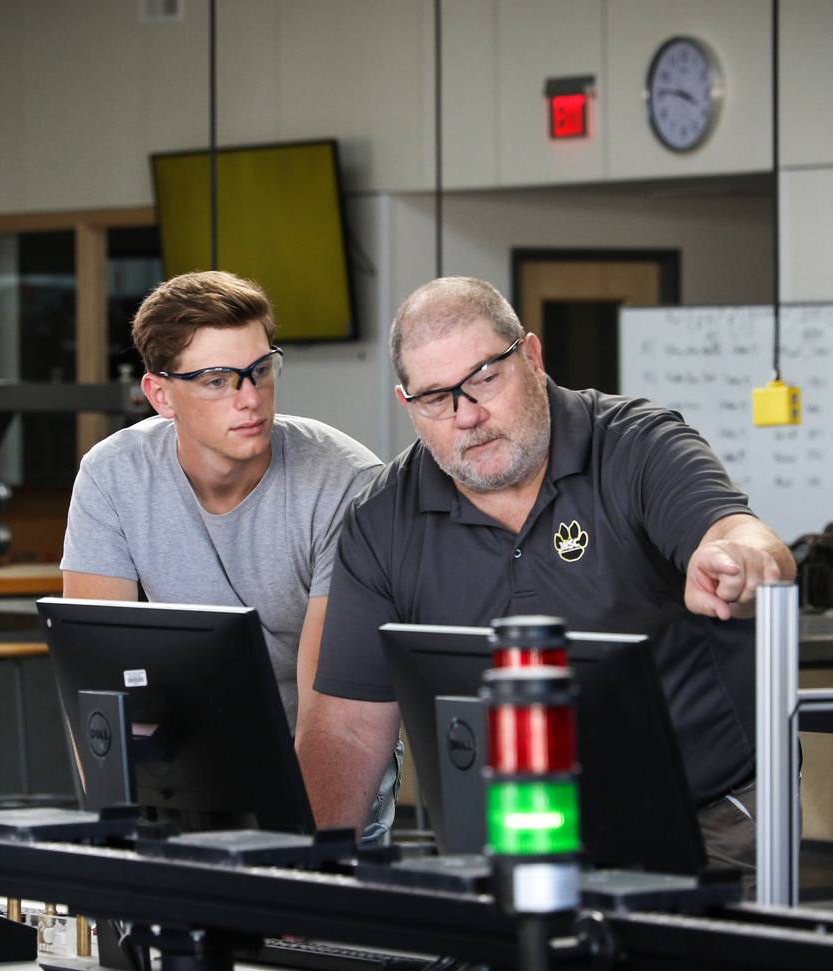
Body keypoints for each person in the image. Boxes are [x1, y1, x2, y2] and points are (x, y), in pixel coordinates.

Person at [298, 277, 794, 870]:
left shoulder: (636, 443)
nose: (467, 416)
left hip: (707, 824)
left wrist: (741, 561)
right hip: (505, 834)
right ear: (408, 405)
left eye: (484, 377)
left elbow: (740, 535)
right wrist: (312, 875)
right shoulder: (381, 519)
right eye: (436, 398)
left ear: (531, 357)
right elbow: (349, 728)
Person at [59, 270, 385, 810]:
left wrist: (302, 861)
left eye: (260, 370)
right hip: (193, 749)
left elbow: (330, 715)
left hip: (327, 745)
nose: (250, 398)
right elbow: (95, 681)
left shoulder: (345, 481)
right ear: (160, 395)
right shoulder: (113, 473)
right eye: (217, 380)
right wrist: (112, 836)